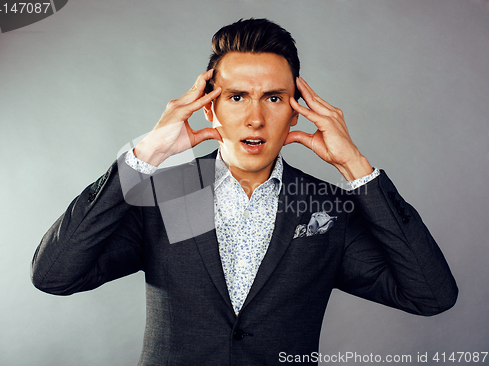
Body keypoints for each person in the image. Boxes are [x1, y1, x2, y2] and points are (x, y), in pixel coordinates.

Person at [31, 18, 458, 365]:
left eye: (274, 98)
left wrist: (355, 167)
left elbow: (431, 295)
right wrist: (145, 156)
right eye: (237, 97)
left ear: (296, 113)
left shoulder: (325, 208)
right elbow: (55, 275)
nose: (255, 118)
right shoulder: (174, 192)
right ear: (210, 107)